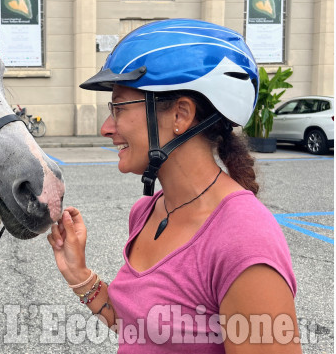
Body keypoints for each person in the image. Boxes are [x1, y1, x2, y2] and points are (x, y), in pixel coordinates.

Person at [47, 19, 300, 353]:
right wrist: (79, 274)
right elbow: (140, 330)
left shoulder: (244, 240)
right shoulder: (147, 212)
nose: (107, 127)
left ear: (181, 115)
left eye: (119, 107)